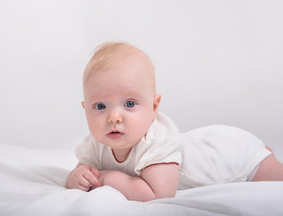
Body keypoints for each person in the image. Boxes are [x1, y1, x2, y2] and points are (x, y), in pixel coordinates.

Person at [65, 42, 283, 202]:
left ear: (153, 107)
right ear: (86, 110)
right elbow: (81, 172)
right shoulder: (97, 143)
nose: (113, 117)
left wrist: (109, 179)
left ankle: (265, 156)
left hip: (235, 156)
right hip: (206, 142)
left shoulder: (156, 142)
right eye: (100, 106)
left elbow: (158, 194)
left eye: (130, 104)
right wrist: (76, 177)